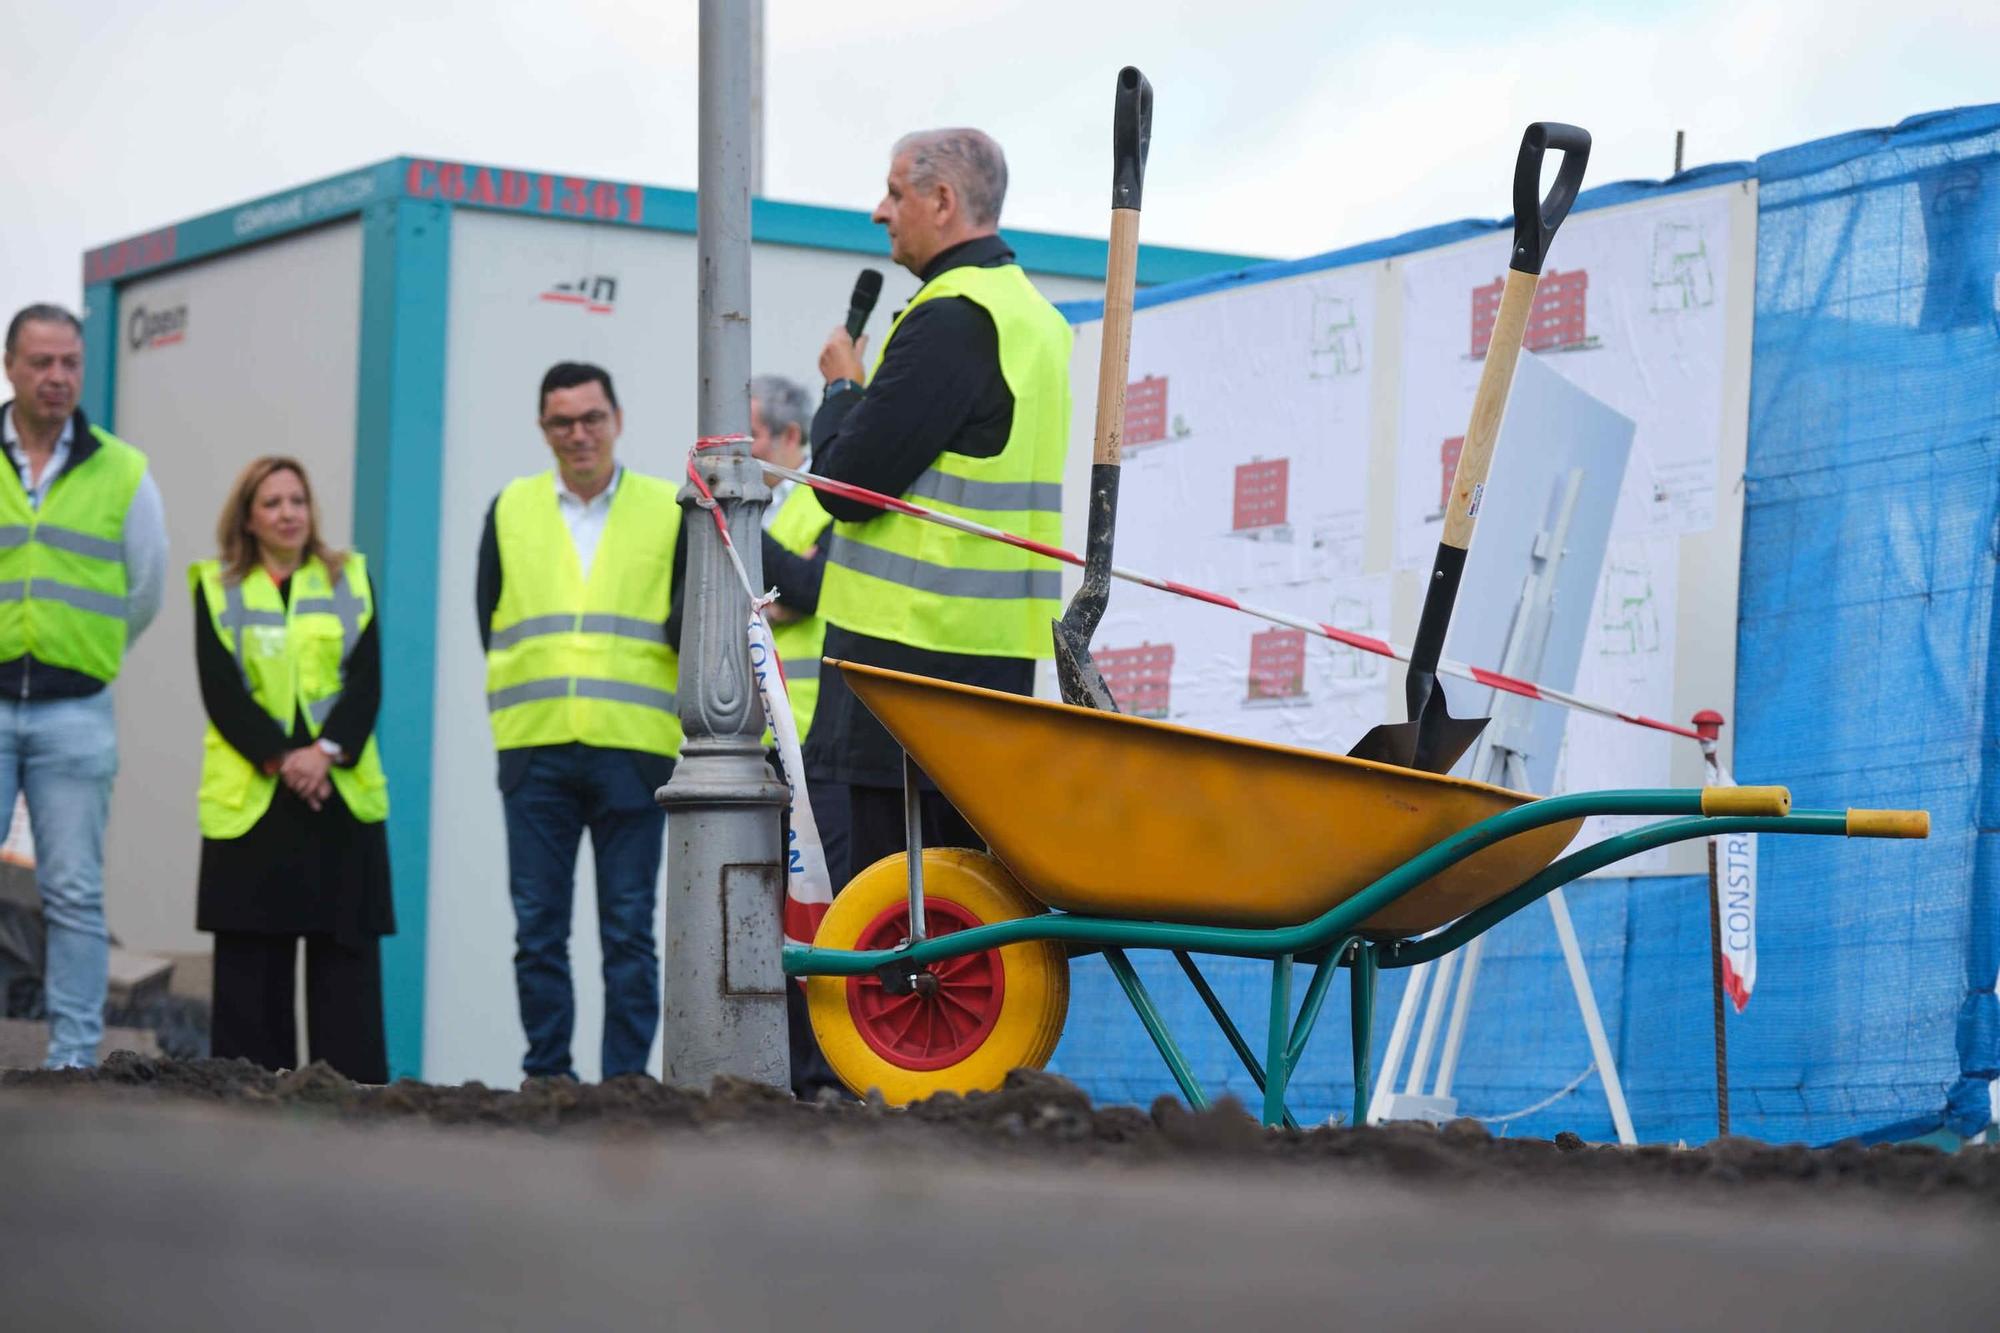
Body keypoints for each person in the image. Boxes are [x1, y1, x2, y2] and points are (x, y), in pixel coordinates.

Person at [804, 129, 1072, 874]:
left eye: (895, 193)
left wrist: (841, 389)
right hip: (992, 670)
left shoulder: (955, 315)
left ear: (944, 201)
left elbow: (845, 485)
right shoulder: (1036, 322)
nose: (879, 212)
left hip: (903, 676)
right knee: (965, 925)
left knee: (895, 933)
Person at [477, 362, 683, 1082]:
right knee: (539, 932)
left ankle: (625, 1084)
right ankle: (548, 1076)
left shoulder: (667, 508)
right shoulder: (510, 509)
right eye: (562, 421)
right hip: (534, 752)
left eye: (591, 417)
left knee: (629, 932)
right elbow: (491, 622)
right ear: (543, 430)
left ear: (617, 419)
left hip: (634, 753)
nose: (578, 434)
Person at [0, 303, 168, 1069]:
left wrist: (90, 652)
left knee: (72, 892)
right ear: (10, 367)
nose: (58, 376)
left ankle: (72, 1062)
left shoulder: (121, 469)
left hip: (76, 712)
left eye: (70, 362)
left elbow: (146, 587)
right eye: (41, 362)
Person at [192, 457, 393, 1081]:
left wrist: (323, 753)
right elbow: (221, 690)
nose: (288, 514)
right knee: (251, 988)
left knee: (347, 989)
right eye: (273, 502)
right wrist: (284, 760)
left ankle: (352, 1122)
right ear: (248, 518)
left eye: (297, 501)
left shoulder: (348, 577)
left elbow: (367, 679)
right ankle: (250, 1128)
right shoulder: (217, 585)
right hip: (257, 803)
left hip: (337, 795)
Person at [749, 372, 848, 887]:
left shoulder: (826, 495)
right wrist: (771, 600)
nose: (739, 457)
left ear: (790, 436)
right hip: (748, 738)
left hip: (809, 734)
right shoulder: (764, 505)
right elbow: (684, 617)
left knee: (812, 895)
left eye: (751, 440)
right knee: (755, 898)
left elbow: (812, 589)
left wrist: (738, 529)